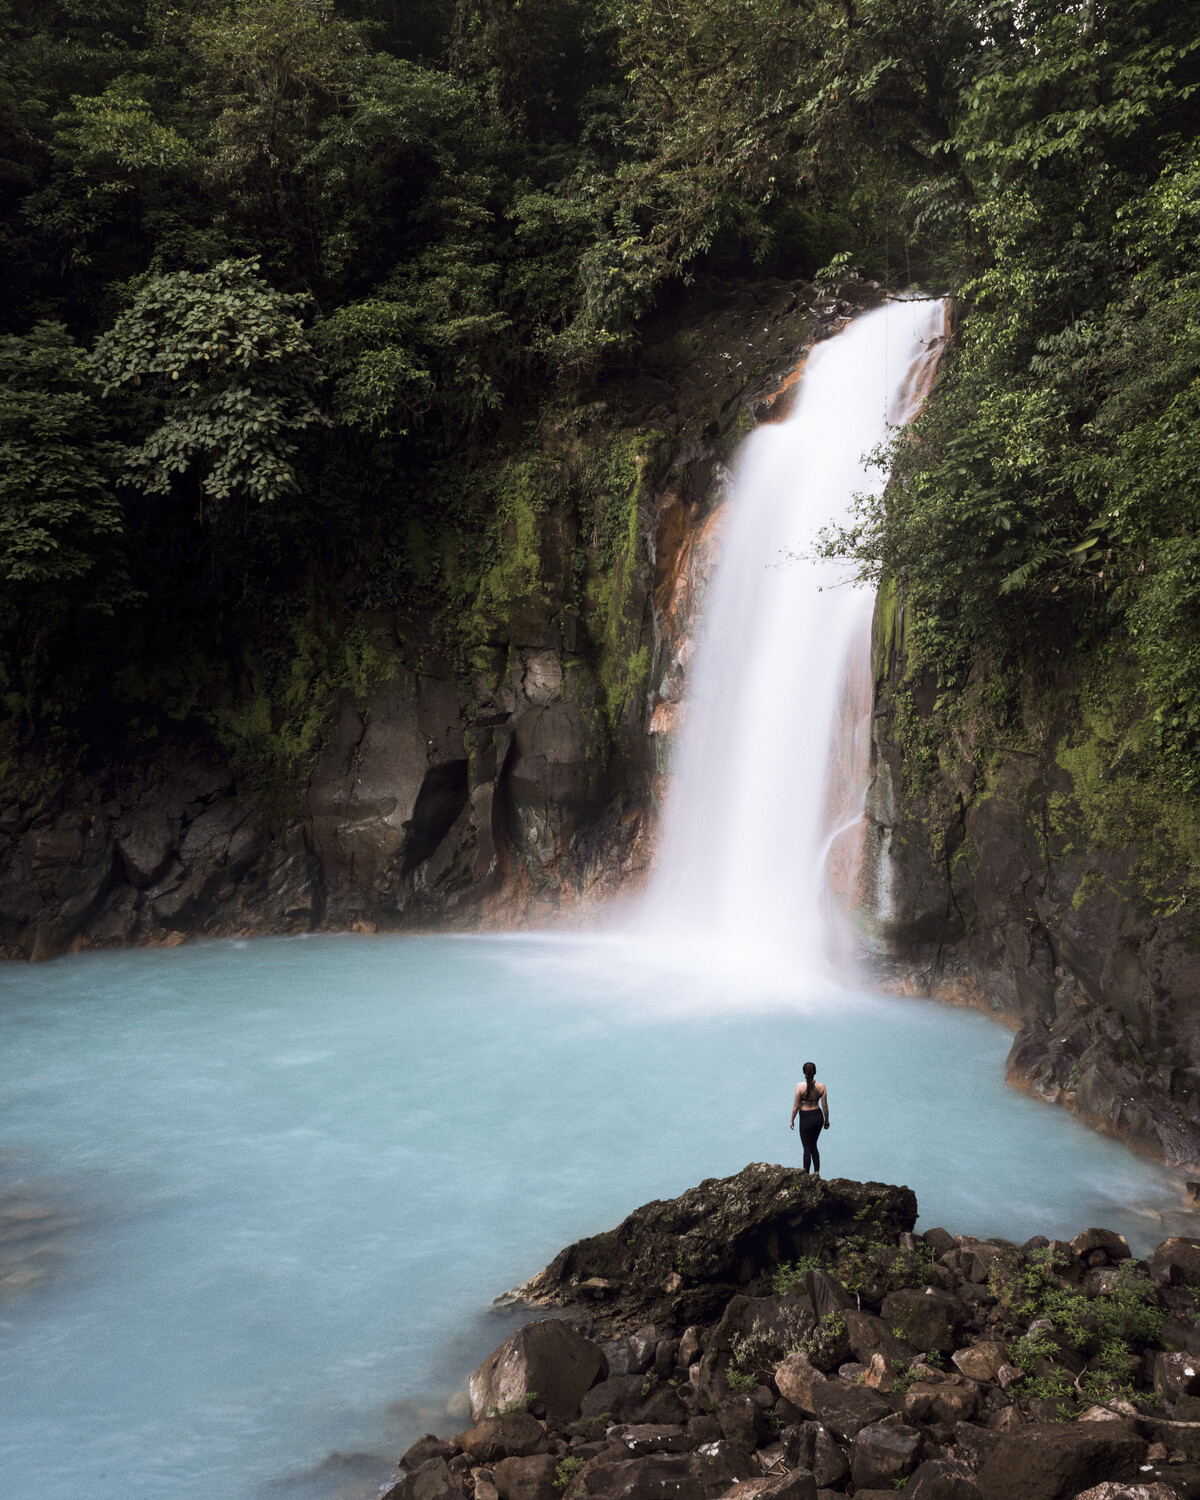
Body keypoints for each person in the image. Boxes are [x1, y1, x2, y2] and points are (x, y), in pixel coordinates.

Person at [789, 1061, 830, 1175]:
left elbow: (796, 1105)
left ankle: (805, 1175)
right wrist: (826, 1121)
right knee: (814, 1145)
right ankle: (816, 1173)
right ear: (815, 1072)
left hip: (806, 1119)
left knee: (807, 1147)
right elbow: (825, 1106)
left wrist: (792, 1119)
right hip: (817, 1117)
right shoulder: (822, 1087)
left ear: (804, 1073)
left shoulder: (799, 1086)